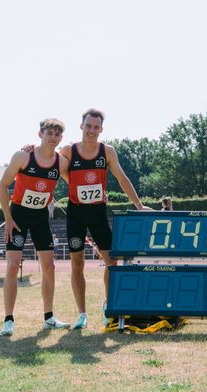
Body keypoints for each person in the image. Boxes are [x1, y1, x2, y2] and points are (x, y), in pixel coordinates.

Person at [60, 108, 152, 329]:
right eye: (88, 126)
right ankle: (82, 314)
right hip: (76, 214)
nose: (92, 130)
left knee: (111, 261)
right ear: (81, 126)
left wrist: (138, 205)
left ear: (101, 129)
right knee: (77, 264)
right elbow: (55, 171)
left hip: (98, 213)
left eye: (96, 127)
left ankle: (109, 307)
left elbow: (121, 177)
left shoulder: (107, 152)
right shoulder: (68, 151)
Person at [0, 118, 70, 337]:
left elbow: (73, 181)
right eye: (49, 133)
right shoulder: (23, 156)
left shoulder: (61, 163)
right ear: (40, 134)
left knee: (49, 267)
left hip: (40, 217)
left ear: (61, 138)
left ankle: (49, 317)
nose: (52, 137)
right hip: (18, 215)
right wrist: (8, 219)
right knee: (12, 266)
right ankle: (8, 320)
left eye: (57, 134)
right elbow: (2, 186)